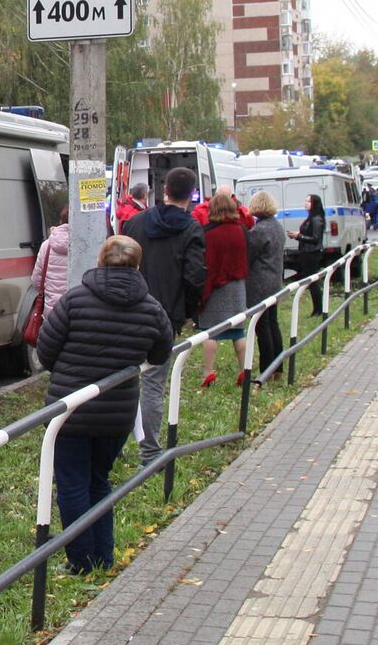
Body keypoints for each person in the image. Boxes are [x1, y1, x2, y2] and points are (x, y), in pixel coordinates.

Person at [35, 236, 173, 573]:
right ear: (137, 265)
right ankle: (103, 556)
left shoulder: (74, 300)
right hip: (118, 413)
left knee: (71, 483)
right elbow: (160, 353)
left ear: (100, 259)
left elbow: (45, 350)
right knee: (99, 479)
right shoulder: (151, 308)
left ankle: (81, 561)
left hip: (71, 411)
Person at [122, 166, 206, 465]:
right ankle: (151, 452)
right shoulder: (192, 229)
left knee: (122, 379)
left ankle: (117, 444)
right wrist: (188, 311)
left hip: (130, 309)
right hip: (166, 315)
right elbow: (195, 276)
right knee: (154, 383)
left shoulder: (134, 223)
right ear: (192, 194)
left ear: (164, 190)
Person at [198, 191, 250, 387]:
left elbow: (207, 263)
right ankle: (245, 369)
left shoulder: (208, 233)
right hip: (237, 286)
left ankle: (208, 372)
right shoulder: (241, 230)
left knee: (211, 332)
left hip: (215, 286)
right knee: (238, 331)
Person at [245, 190, 285, 382]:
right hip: (274, 280)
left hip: (259, 282)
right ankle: (278, 366)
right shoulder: (277, 226)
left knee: (262, 327)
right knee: (273, 323)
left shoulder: (258, 231)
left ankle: (266, 368)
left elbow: (248, 256)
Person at [288, 193, 327, 316]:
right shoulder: (311, 218)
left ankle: (318, 309)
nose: (306, 203)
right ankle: (317, 309)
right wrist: (298, 234)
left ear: (314, 204)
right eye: (305, 201)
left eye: (308, 202)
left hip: (311, 253)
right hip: (306, 251)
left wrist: (299, 236)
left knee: (313, 282)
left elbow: (315, 238)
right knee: (311, 282)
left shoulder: (317, 219)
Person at [31, 207, 70, 319]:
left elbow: (36, 281)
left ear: (60, 221)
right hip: (77, 311)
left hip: (52, 312)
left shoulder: (46, 246)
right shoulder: (85, 246)